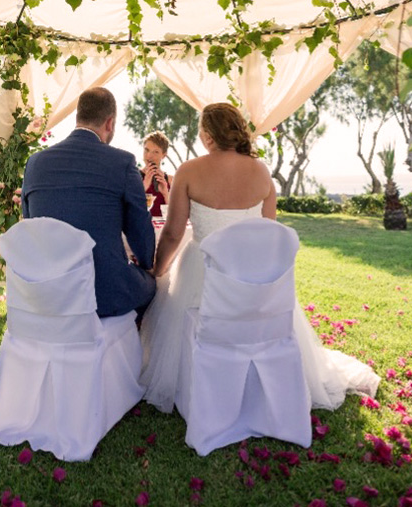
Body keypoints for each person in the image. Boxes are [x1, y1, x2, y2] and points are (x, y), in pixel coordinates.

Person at [139, 102, 380, 414]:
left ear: (209, 137)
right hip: (253, 279)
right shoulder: (262, 172)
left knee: (172, 300)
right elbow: (269, 235)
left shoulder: (189, 171)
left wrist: (159, 269)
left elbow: (172, 233)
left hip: (203, 276)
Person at [22, 87, 156, 319]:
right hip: (103, 295)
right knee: (153, 285)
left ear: (78, 117)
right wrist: (146, 263)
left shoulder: (35, 163)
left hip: (49, 294)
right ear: (110, 123)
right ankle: (127, 347)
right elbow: (140, 234)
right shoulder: (122, 162)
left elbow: (30, 223)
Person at [140, 131, 172, 217]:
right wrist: (142, 188)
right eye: (146, 150)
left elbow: (177, 215)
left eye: (156, 152)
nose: (149, 156)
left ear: (164, 155)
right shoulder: (133, 177)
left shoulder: (170, 180)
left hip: (163, 229)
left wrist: (166, 194)